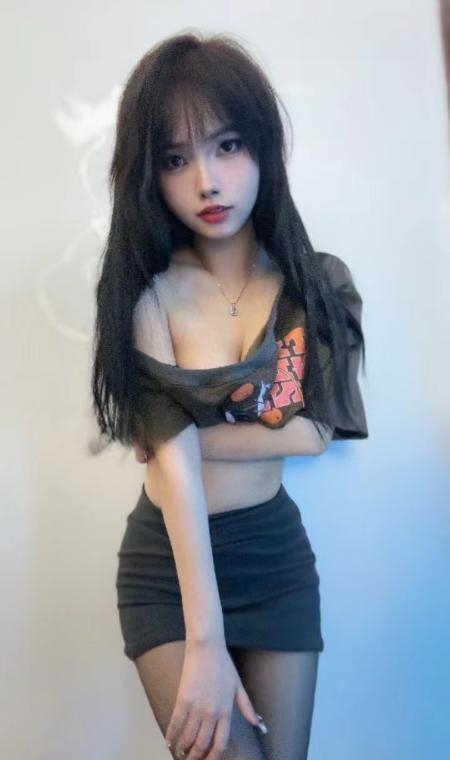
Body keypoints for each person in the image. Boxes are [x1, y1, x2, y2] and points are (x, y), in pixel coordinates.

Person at [90, 31, 369, 760]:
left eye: (227, 146)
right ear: (149, 175)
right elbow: (176, 479)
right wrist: (204, 641)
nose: (207, 182)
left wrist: (179, 430)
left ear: (264, 148)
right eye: (176, 159)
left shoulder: (317, 285)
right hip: (169, 567)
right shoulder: (149, 296)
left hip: (275, 561)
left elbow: (318, 432)